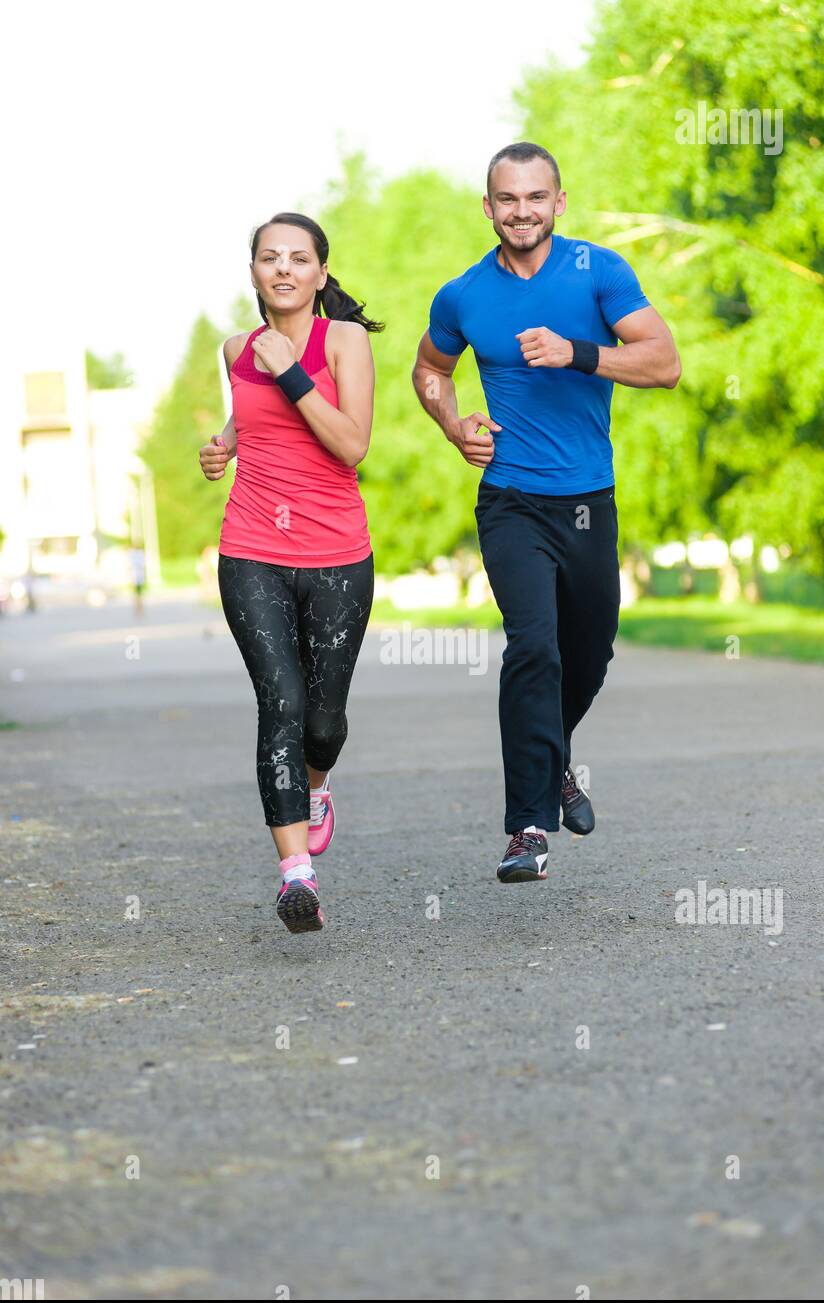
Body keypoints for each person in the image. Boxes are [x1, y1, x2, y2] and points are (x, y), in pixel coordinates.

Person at [412, 142, 681, 884]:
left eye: (535, 197)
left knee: (588, 654)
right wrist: (451, 422)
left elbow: (662, 364)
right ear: (488, 208)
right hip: (510, 501)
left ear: (557, 202)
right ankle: (525, 826)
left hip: (588, 502)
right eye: (507, 199)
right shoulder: (463, 294)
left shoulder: (600, 272)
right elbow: (429, 369)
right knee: (534, 647)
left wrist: (579, 353)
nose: (521, 210)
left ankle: (551, 754)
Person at [200, 213, 382, 932]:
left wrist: (292, 370)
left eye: (297, 258)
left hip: (336, 553)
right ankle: (295, 877)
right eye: (268, 258)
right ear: (253, 273)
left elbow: (351, 445)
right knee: (279, 700)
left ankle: (318, 785)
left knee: (323, 721)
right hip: (250, 549)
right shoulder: (235, 349)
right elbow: (252, 417)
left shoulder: (343, 342)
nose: (282, 269)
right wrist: (223, 445)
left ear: (320, 274)